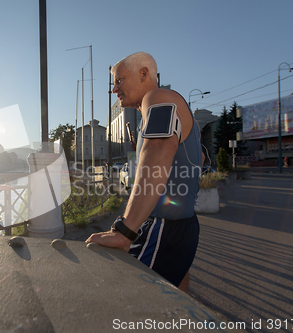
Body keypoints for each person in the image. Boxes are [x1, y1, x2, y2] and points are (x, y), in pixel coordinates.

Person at [86, 52, 202, 293]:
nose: (114, 89)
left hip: (163, 226)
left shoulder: (157, 97)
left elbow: (159, 150)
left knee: (129, 299)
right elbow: (197, 159)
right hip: (182, 225)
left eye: (119, 80)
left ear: (143, 74)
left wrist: (125, 231)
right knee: (174, 293)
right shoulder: (167, 107)